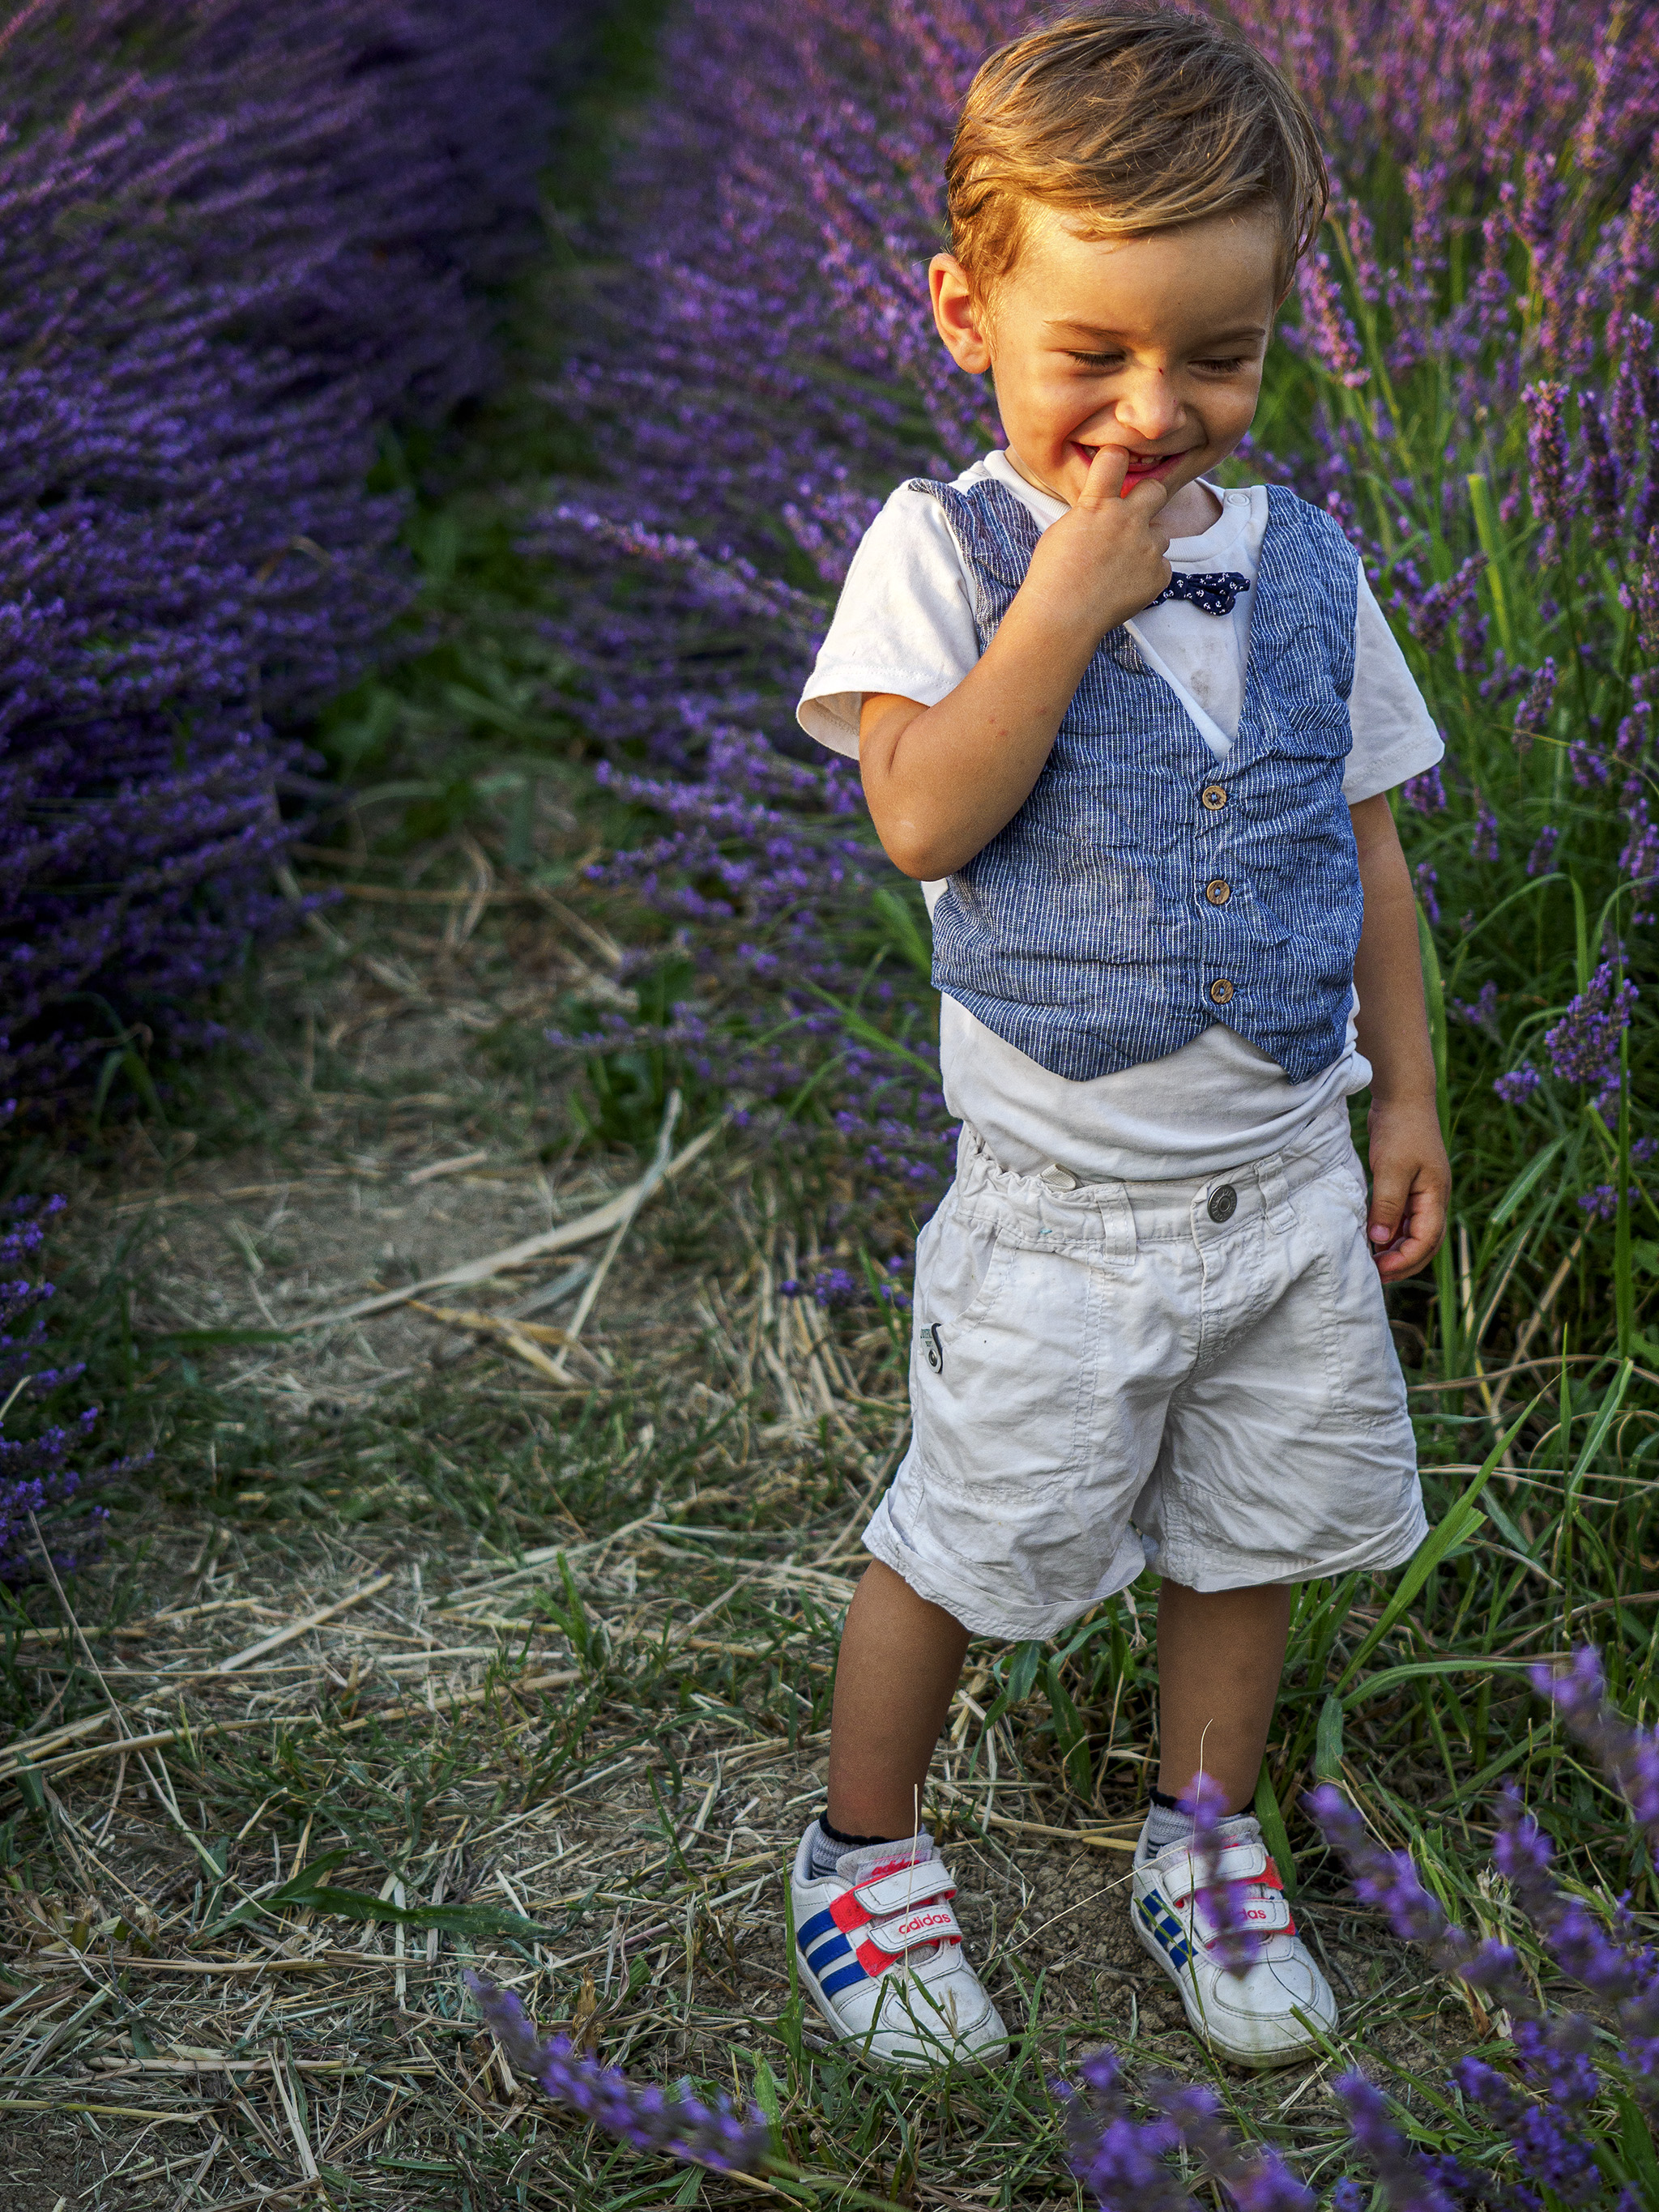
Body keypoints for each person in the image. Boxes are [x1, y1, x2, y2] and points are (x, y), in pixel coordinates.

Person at [786, 4, 1450, 2073]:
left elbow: (1369, 855)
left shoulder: (1307, 564)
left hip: (1279, 1183)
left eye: (1219, 355)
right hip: (1061, 1207)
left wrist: (1408, 1090)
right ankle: (861, 1857)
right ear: (963, 310)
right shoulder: (945, 549)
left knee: (1251, 1532)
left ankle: (1203, 1833)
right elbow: (922, 814)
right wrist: (1067, 599)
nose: (1157, 413)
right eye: (1094, 354)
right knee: (965, 1539)